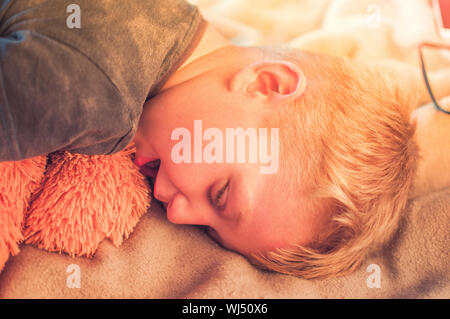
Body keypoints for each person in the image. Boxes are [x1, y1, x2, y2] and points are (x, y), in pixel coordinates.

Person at [1, 0, 449, 279]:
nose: (176, 214)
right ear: (264, 84)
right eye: (220, 193)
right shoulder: (98, 96)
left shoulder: (169, 19)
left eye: (207, 230)